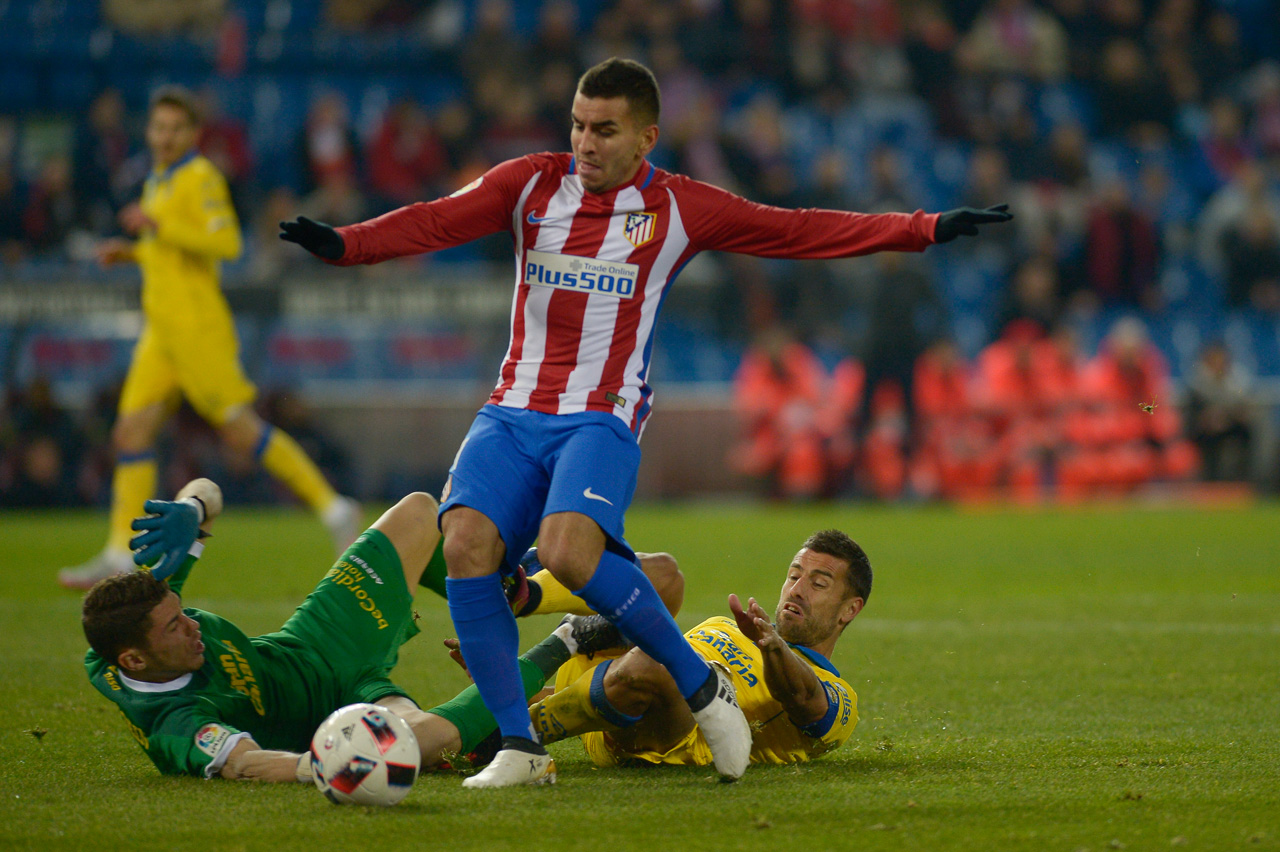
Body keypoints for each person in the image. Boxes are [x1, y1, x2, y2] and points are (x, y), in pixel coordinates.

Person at [280, 57, 1012, 787]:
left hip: (600, 414)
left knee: (566, 551)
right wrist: (348, 245)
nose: (585, 142)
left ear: (646, 138)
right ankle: (519, 747)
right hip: (513, 408)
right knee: (465, 541)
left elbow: (796, 230)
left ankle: (702, 690)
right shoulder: (529, 185)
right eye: (577, 125)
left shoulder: (678, 207)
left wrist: (922, 227)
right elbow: (436, 219)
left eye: (604, 129)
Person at [80, 477, 684, 782]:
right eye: (175, 627)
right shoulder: (176, 723)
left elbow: (207, 493)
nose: (191, 625)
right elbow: (246, 763)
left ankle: (518, 592)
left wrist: (191, 508)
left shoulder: (136, 615)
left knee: (420, 511)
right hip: (337, 717)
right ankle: (569, 639)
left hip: (316, 638)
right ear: (135, 661)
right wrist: (334, 764)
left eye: (183, 611)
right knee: (419, 740)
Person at [59, 86, 361, 591]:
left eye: (176, 128)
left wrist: (159, 227)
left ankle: (334, 507)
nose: (165, 136)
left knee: (240, 431)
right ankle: (118, 553)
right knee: (130, 433)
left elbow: (226, 242)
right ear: (149, 130)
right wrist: (131, 251)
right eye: (159, 127)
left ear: (193, 133)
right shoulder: (158, 179)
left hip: (197, 330)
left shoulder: (200, 177)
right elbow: (169, 249)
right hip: (161, 333)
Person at [528, 529, 868, 769]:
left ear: (850, 609)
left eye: (818, 584)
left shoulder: (839, 696)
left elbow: (803, 699)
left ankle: (517, 731)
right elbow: (608, 681)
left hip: (660, 735)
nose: (796, 590)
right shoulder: (725, 625)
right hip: (611, 689)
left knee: (659, 661)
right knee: (665, 575)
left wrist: (773, 647)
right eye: (794, 576)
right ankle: (524, 592)